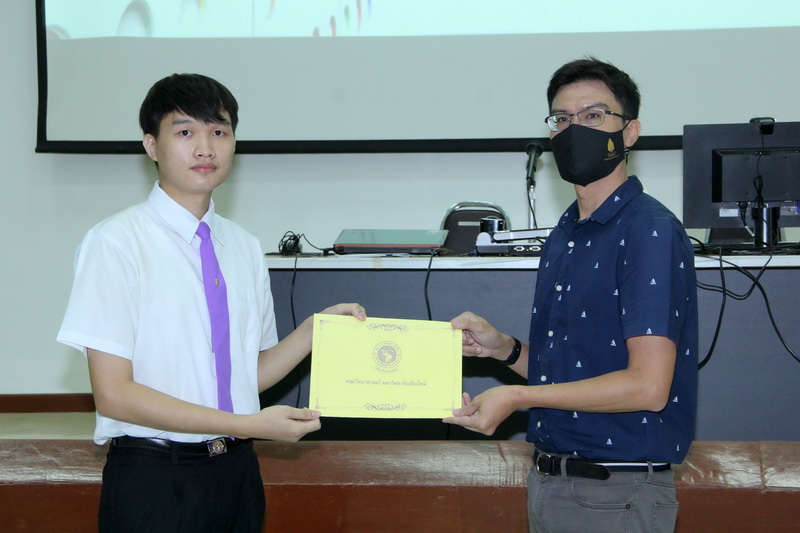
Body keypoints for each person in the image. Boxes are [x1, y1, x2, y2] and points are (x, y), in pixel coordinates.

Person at [57, 73, 366, 533]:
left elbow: (246, 374)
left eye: (219, 132)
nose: (205, 148)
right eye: (185, 132)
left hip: (237, 470)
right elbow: (114, 394)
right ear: (151, 145)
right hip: (155, 476)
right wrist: (247, 423)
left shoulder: (243, 246)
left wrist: (313, 331)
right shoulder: (116, 243)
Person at [444, 58, 698, 533]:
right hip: (550, 483)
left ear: (630, 132)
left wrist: (517, 397)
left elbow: (647, 386)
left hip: (615, 492)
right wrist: (504, 350)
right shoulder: (565, 234)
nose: (573, 129)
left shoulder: (649, 231)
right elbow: (570, 372)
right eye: (561, 119)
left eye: (593, 116)